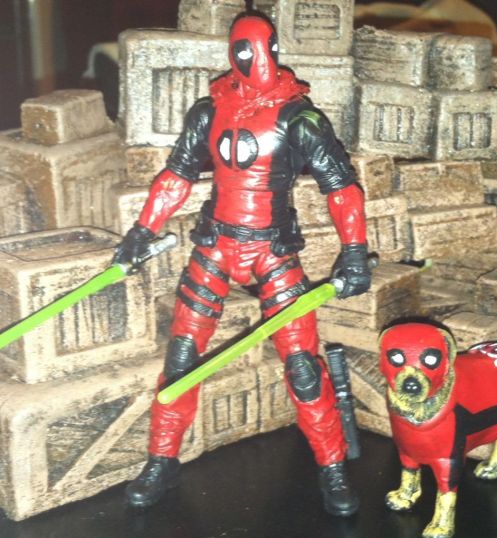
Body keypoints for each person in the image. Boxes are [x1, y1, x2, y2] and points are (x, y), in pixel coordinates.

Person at [114, 11, 371, 517]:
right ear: (233, 54)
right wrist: (142, 231)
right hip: (216, 245)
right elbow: (177, 177)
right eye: (244, 51)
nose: (255, 62)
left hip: (272, 251)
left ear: (274, 50)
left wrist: (355, 250)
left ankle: (332, 466)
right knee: (181, 361)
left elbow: (341, 187)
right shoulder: (209, 111)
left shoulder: (300, 117)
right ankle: (162, 461)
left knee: (303, 366)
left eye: (261, 50)